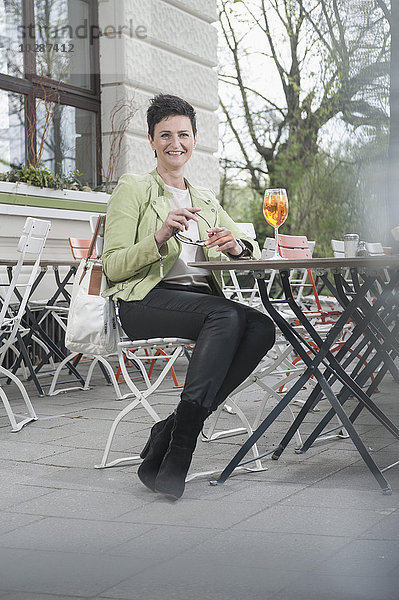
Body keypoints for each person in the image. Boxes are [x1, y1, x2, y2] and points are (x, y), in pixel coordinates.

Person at [102, 94, 275, 500]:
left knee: (262, 327)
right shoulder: (135, 188)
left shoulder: (206, 200)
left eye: (183, 134)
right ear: (151, 140)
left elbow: (249, 245)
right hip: (144, 301)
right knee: (227, 317)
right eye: (165, 135)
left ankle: (171, 430)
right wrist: (159, 236)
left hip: (198, 304)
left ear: (195, 140)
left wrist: (236, 247)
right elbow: (112, 265)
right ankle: (181, 448)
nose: (174, 142)